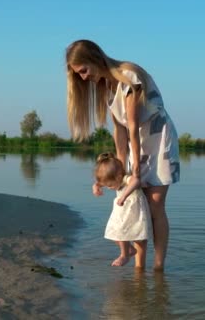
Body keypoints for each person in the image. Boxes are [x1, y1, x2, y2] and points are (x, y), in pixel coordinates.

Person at [66, 39, 180, 271]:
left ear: (96, 58)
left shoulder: (129, 76)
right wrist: (121, 166)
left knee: (155, 204)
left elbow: (132, 124)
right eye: (79, 75)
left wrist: (135, 170)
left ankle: (158, 268)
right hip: (135, 139)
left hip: (157, 139)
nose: (84, 77)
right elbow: (119, 129)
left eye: (84, 70)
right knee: (137, 205)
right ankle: (139, 267)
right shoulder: (106, 87)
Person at [94, 152, 152, 268]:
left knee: (130, 233)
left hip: (133, 211)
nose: (109, 188)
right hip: (122, 211)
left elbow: (136, 181)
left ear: (119, 176)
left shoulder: (126, 178)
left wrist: (124, 196)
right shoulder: (114, 177)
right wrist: (96, 186)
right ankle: (129, 250)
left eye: (110, 186)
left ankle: (124, 255)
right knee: (114, 231)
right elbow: (102, 182)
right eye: (107, 186)